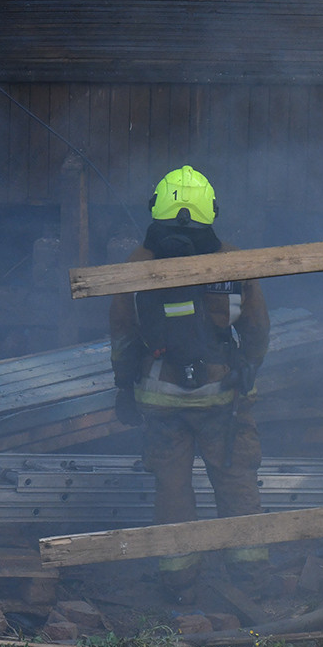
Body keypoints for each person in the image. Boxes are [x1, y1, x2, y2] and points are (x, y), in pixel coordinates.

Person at [108, 165, 270, 596]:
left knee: (172, 486)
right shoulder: (233, 260)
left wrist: (125, 387)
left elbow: (123, 334)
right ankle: (249, 575)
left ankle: (179, 578)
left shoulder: (136, 265)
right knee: (236, 477)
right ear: (209, 210)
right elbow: (256, 327)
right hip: (223, 395)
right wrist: (248, 369)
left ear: (157, 207)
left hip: (159, 398)